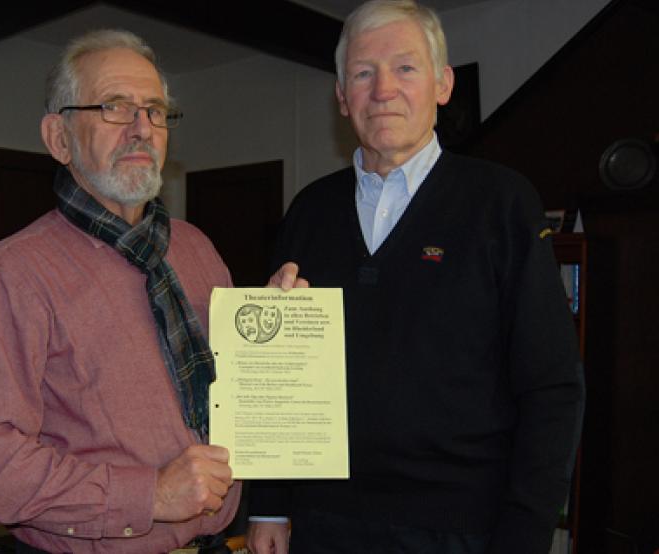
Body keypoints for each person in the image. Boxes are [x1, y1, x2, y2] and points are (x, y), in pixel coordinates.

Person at [248, 1, 585, 553]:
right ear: (340, 95)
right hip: (321, 524)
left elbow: (552, 388)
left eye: (405, 67)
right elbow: (279, 377)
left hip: (461, 530)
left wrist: (524, 535)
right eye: (362, 72)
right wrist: (269, 504)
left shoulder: (501, 203)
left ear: (443, 84)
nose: (382, 89)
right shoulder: (308, 211)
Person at [0, 29, 240, 554]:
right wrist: (148, 495)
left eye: (154, 110)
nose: (141, 128)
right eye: (114, 107)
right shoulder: (16, 273)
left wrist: (281, 328)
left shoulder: (197, 252)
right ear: (59, 138)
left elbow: (238, 398)